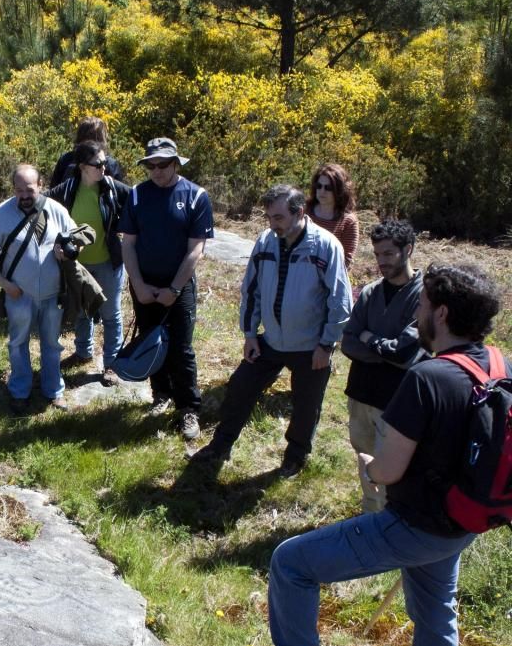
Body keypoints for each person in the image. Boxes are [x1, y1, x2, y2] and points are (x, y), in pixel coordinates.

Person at [230, 263, 504, 646]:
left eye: (421, 305)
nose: (416, 312)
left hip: (413, 524)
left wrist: (368, 467)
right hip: (464, 522)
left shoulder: (428, 378)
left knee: (292, 564)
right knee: (437, 608)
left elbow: (387, 469)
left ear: (440, 313)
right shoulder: (501, 366)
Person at [191, 185, 351, 475]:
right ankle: (220, 446)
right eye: (268, 217)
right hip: (271, 342)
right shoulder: (266, 241)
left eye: (278, 217)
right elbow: (251, 290)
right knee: (239, 389)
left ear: (299, 212)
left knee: (305, 408)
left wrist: (327, 345)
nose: (271, 224)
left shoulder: (326, 246)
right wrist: (250, 334)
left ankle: (295, 457)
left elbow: (340, 301)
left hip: (310, 347)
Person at [120, 137, 214, 440]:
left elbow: (196, 249)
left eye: (163, 164)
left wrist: (174, 288)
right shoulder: (136, 195)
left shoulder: (196, 196)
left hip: (180, 285)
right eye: (151, 165)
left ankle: (188, 408)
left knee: (181, 348)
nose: (157, 170)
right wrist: (139, 285)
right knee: (151, 341)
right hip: (144, 284)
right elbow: (128, 244)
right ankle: (161, 394)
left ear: (176, 163)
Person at [0, 164, 77, 414]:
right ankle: (20, 391)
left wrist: (70, 251)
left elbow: (76, 238)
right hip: (19, 294)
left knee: (52, 344)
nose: (23, 195)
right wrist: (6, 285)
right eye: (18, 190)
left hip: (53, 294)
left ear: (40, 186)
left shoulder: (56, 210)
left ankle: (54, 390)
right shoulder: (2, 214)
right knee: (18, 343)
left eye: (29, 189)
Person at [341, 220, 425, 512]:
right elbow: (348, 342)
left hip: (396, 402)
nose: (381, 261)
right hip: (361, 395)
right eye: (377, 254)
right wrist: (383, 347)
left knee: (394, 471)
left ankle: (393, 522)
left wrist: (369, 338)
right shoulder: (370, 292)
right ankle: (371, 518)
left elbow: (403, 354)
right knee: (366, 463)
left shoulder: (424, 296)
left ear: (408, 250)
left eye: (388, 254)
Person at [49, 140, 129, 384]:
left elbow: (138, 206)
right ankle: (83, 352)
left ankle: (112, 364)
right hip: (78, 264)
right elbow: (43, 210)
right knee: (83, 310)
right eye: (98, 164)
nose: (104, 167)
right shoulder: (65, 190)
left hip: (108, 261)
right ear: (83, 166)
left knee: (110, 314)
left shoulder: (113, 189)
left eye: (105, 162)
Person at [308, 163, 359, 271]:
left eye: (328, 188)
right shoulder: (304, 211)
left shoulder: (348, 221)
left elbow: (346, 260)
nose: (322, 191)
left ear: (339, 190)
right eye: (319, 186)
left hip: (329, 277)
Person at [49, 116, 127, 187]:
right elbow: (119, 196)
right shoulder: (110, 164)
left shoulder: (66, 160)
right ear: (102, 139)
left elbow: (53, 193)